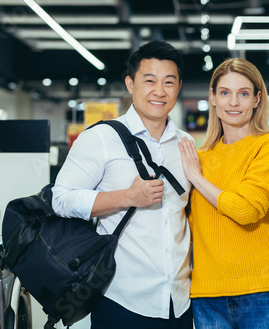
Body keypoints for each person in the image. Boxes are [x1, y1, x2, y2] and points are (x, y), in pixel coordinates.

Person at [52, 40, 193, 329]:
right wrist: (127, 197)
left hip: (180, 302)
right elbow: (61, 199)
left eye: (169, 82)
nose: (159, 91)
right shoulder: (101, 138)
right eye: (149, 80)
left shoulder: (186, 144)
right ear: (130, 83)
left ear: (178, 87)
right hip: (122, 300)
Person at [178, 58, 269, 329]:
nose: (233, 103)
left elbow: (246, 209)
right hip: (207, 295)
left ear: (257, 99)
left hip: (260, 292)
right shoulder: (200, 158)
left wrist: (196, 177)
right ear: (213, 99)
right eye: (225, 93)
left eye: (243, 94)